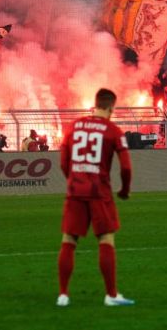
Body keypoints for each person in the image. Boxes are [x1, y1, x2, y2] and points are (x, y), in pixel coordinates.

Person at [56, 88, 134, 307]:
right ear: (110, 108)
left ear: (95, 104)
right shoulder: (112, 130)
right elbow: (126, 167)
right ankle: (111, 295)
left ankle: (63, 295)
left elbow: (63, 162)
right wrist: (125, 190)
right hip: (99, 192)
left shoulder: (74, 126)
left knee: (69, 240)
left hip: (75, 191)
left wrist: (72, 179)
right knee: (106, 240)